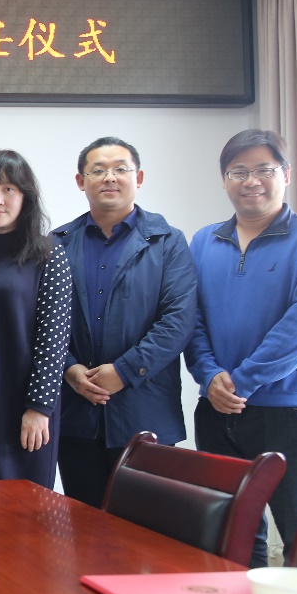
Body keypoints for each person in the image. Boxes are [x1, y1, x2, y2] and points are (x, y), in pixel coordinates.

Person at [186, 129, 297, 567]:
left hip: (289, 411)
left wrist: (241, 381)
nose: (251, 181)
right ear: (224, 179)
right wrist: (208, 375)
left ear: (286, 175)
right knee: (230, 538)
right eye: (239, 172)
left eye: (263, 170)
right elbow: (190, 320)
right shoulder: (204, 242)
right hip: (216, 409)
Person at [52, 137, 197, 507]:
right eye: (97, 170)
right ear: (81, 181)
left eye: (120, 169)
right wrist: (69, 369)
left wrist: (124, 371)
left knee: (147, 529)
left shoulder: (167, 242)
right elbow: (43, 321)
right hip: (76, 414)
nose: (109, 178)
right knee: (84, 526)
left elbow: (177, 321)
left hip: (145, 413)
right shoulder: (56, 244)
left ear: (139, 177)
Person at [0, 150, 72, 487]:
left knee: (21, 508)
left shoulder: (48, 254)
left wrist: (39, 407)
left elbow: (54, 339)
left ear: (26, 197)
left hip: (22, 404)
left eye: (9, 189)